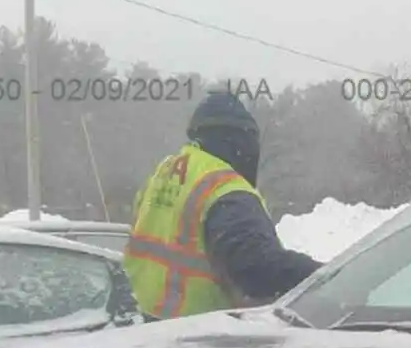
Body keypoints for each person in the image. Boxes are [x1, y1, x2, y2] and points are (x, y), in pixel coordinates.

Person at [123, 90, 323, 319]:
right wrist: (322, 277)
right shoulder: (225, 187)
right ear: (239, 142)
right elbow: (257, 268)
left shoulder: (165, 171)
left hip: (144, 327)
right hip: (201, 335)